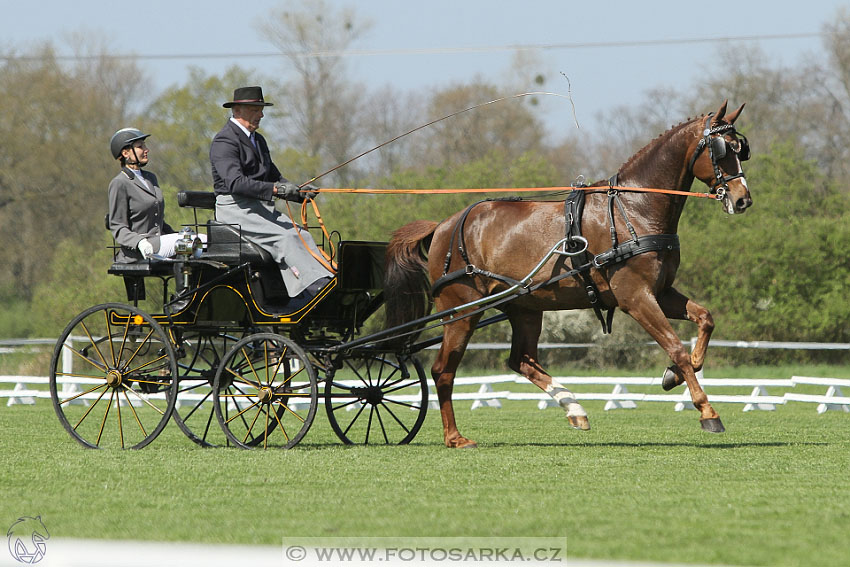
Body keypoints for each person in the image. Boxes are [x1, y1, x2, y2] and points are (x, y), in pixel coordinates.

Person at [209, 86, 334, 304]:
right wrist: (276, 190)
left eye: (261, 108)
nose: (261, 114)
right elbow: (235, 183)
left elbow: (274, 176)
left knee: (301, 234)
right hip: (236, 211)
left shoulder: (259, 141)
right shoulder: (224, 141)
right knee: (285, 238)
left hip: (260, 209)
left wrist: (297, 192)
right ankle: (312, 286)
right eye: (256, 109)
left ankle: (327, 277)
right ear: (238, 109)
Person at [107, 128, 205, 262]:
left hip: (159, 242)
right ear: (125, 153)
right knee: (196, 242)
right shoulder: (120, 183)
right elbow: (117, 226)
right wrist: (139, 242)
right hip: (140, 250)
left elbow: (157, 221)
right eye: (140, 146)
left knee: (204, 242)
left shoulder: (150, 178)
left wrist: (177, 234)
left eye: (145, 145)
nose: (146, 149)